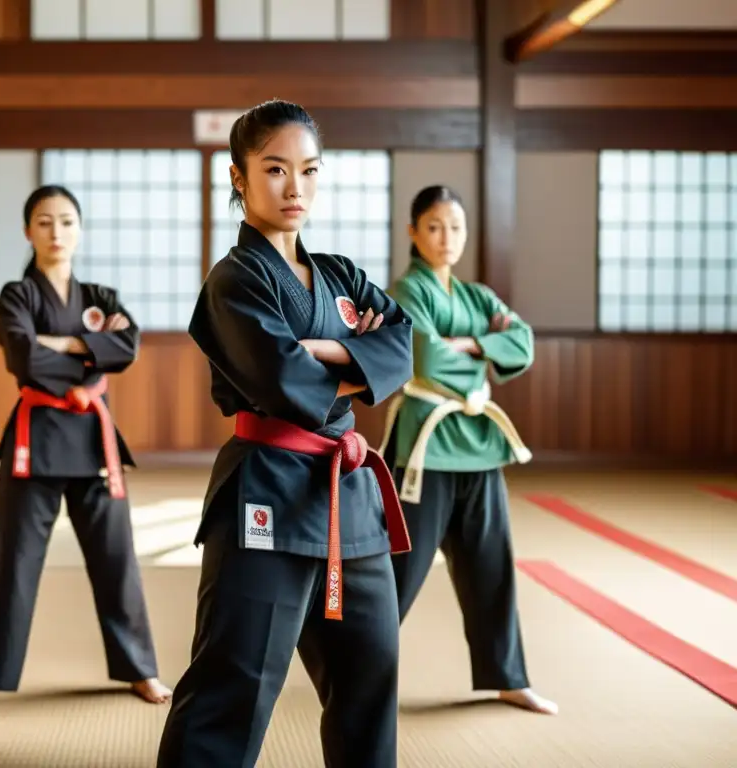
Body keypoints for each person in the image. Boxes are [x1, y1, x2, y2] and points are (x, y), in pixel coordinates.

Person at [157, 100, 415, 768]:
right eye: (274, 169)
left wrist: (324, 352)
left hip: (348, 494)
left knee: (370, 675)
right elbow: (284, 385)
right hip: (266, 490)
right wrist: (355, 361)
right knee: (235, 682)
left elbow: (403, 344)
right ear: (239, 179)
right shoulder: (235, 280)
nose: (293, 187)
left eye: (308, 170)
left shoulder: (340, 275)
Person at [0, 185, 171, 714]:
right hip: (36, 440)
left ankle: (140, 669)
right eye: (44, 223)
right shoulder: (16, 296)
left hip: (95, 441)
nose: (56, 233)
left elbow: (128, 348)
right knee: (12, 562)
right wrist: (90, 352)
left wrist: (62, 344)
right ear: (28, 232)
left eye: (67, 222)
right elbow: (24, 360)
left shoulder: (100, 297)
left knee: (117, 561)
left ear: (80, 230)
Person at [378, 184, 558, 715]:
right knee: (396, 574)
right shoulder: (408, 291)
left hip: (479, 448)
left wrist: (472, 345)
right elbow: (427, 362)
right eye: (434, 226)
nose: (446, 238)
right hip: (426, 448)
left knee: (491, 567)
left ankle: (507, 677)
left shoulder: (477, 296)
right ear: (413, 232)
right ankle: (357, 673)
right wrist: (483, 353)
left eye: (455, 227)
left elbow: (522, 342)